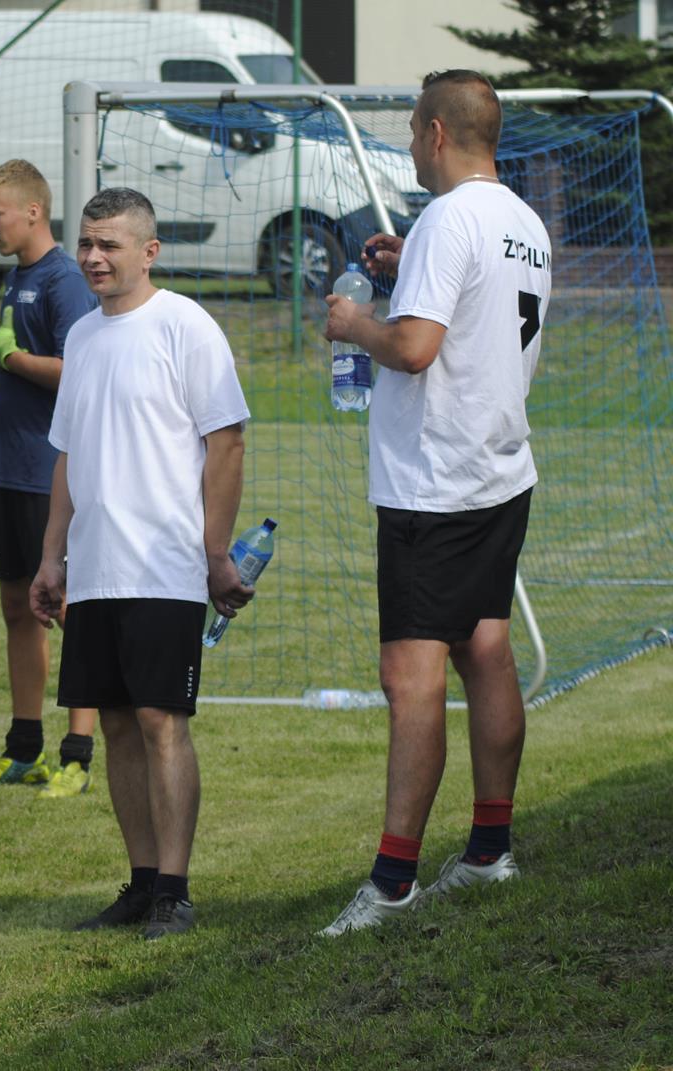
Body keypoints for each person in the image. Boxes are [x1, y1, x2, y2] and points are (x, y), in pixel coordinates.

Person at [319, 70, 550, 936]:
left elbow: (413, 346)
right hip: (498, 468)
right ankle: (490, 850)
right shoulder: (521, 219)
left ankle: (390, 881)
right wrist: (404, 258)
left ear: (437, 133)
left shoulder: (449, 219)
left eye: (413, 130)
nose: (410, 146)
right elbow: (473, 309)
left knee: (409, 676)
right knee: (484, 649)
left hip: (436, 483)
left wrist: (351, 325)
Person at [30, 187, 251, 939]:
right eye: (86, 243)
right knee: (118, 725)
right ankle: (141, 880)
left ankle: (176, 891)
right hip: (94, 569)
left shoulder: (185, 325)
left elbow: (228, 442)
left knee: (161, 719)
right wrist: (51, 555)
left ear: (149, 251)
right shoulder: (84, 336)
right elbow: (67, 455)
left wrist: (214, 553)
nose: (93, 256)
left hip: (163, 565)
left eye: (110, 244)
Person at [0, 159, 99, 797]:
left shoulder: (64, 279)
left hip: (48, 474)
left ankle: (80, 751)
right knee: (17, 607)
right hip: (8, 473)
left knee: (65, 609)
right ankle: (25, 748)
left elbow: (81, 370)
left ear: (33, 212)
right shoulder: (19, 277)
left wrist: (10, 358)